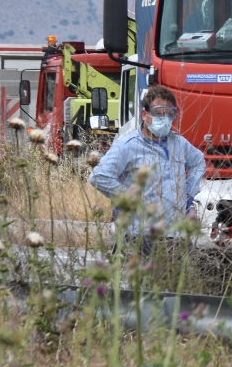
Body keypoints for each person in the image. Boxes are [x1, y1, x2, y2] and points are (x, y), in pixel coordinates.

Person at [88, 85, 207, 247]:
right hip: (139, 235)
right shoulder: (127, 145)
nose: (164, 119)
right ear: (145, 114)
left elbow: (198, 161)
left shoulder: (179, 143)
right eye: (158, 113)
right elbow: (99, 176)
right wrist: (128, 199)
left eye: (169, 114)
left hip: (175, 235)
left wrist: (189, 192)